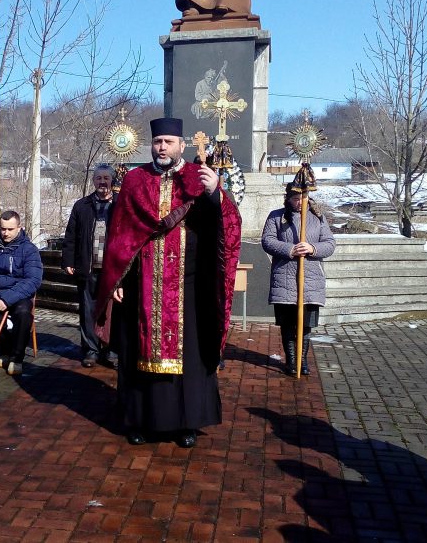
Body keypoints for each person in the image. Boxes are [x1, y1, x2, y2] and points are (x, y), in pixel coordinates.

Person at [94, 117, 241, 448]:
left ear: (181, 146)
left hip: (187, 286)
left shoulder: (197, 177)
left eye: (169, 142)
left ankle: (186, 423)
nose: (162, 147)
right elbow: (119, 233)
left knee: (188, 357)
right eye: (158, 141)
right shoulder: (135, 180)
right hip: (140, 284)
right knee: (135, 356)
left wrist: (215, 192)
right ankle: (139, 420)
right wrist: (116, 276)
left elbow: (228, 224)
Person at [261, 184, 336, 376]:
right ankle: (292, 361)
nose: (299, 203)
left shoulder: (317, 218)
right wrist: (289, 249)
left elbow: (329, 243)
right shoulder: (276, 216)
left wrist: (312, 248)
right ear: (288, 199)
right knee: (288, 324)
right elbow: (267, 241)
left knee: (306, 324)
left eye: (302, 199)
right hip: (285, 279)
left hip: (310, 280)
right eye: (295, 199)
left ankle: (302, 361)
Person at [0, 211, 43, 377]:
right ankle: (7, 350)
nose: (6, 233)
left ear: (19, 228)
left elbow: (33, 280)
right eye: (3, 229)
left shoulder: (29, 249)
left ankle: (17, 358)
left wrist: (7, 299)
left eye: (10, 229)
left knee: (24, 314)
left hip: (19, 296)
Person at [61, 164, 117, 368]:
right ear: (93, 181)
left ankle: (111, 349)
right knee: (88, 311)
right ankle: (91, 350)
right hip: (89, 267)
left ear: (112, 180)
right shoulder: (81, 206)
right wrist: (68, 261)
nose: (102, 182)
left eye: (106, 178)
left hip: (113, 270)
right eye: (98, 178)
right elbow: (71, 235)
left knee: (113, 312)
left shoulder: (121, 204)